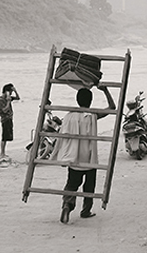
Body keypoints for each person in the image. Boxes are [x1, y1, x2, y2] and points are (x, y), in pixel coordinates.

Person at [49, 87, 115, 223]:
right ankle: (86, 211)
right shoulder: (92, 115)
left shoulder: (69, 116)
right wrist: (105, 90)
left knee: (72, 184)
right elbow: (112, 107)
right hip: (89, 158)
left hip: (73, 156)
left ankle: (67, 204)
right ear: (90, 101)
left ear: (77, 100)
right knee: (89, 186)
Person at [0, 83, 20, 158]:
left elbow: (18, 98)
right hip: (5, 119)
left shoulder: (8, 98)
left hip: (9, 118)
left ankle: (3, 152)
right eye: (10, 92)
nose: (11, 94)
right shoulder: (0, 100)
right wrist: (8, 101)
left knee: (7, 136)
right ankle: (2, 153)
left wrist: (15, 91)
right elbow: (4, 110)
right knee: (4, 136)